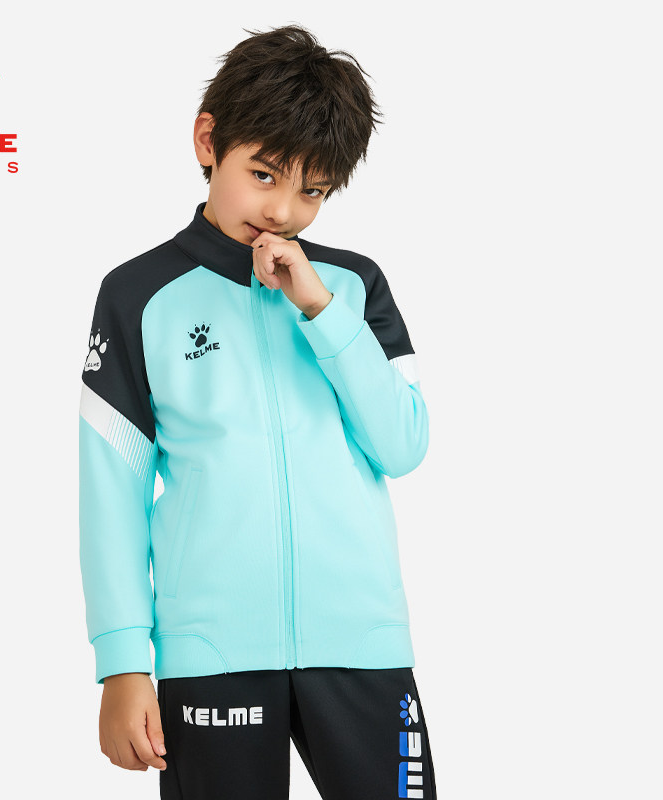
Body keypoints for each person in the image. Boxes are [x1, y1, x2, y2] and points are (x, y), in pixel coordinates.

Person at [79, 23, 436, 800]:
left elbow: (402, 444)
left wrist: (321, 311)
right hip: (211, 655)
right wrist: (122, 663)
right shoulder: (138, 296)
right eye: (264, 174)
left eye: (312, 191)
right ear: (208, 141)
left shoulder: (353, 287)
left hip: (363, 644)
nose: (282, 210)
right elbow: (112, 492)